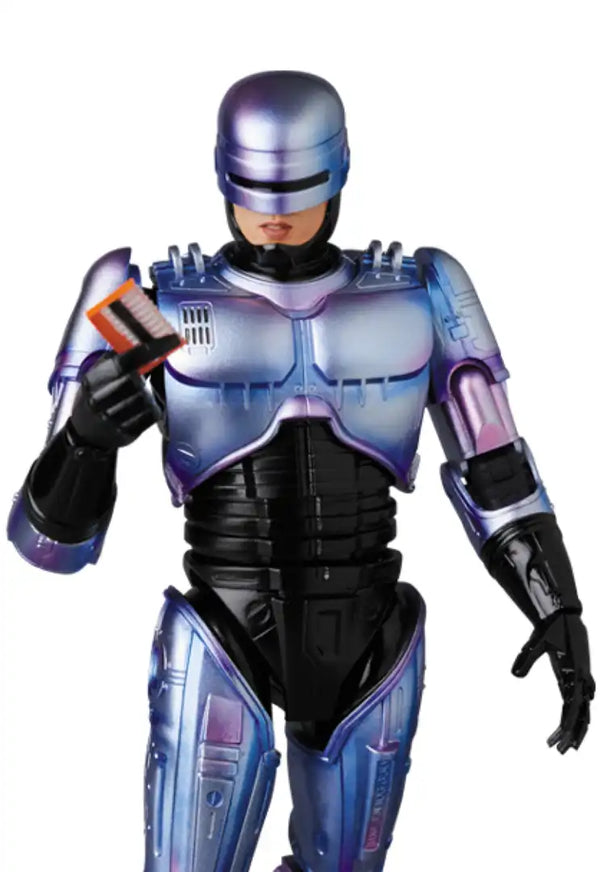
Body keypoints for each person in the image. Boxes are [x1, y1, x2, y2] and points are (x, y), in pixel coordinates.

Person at [7, 70, 594, 872]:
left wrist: (557, 606)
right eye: (257, 194)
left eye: (298, 192)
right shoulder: (153, 306)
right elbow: (47, 543)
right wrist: (86, 438)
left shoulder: (419, 294)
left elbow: (497, 470)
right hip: (223, 629)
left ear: (338, 174)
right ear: (225, 178)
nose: (276, 217)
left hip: (369, 635)